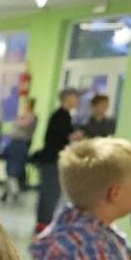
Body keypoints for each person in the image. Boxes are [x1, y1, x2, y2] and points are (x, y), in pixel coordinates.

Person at [31, 88, 84, 228]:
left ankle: (44, 221)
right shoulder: (60, 116)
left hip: (54, 159)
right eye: (75, 97)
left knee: (50, 192)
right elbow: (57, 139)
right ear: (67, 98)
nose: (78, 100)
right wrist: (72, 137)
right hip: (51, 160)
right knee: (51, 192)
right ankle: (44, 223)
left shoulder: (65, 116)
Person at [1, 97, 38, 201]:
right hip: (13, 143)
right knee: (9, 169)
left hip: (21, 144)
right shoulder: (21, 116)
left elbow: (22, 125)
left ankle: (14, 191)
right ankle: (6, 192)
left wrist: (20, 119)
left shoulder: (32, 117)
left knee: (14, 169)